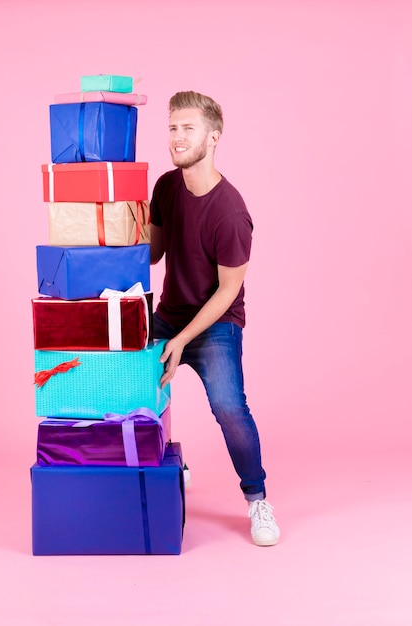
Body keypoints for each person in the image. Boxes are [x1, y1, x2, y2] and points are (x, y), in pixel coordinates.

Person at [150, 91, 280, 546]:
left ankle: (257, 498)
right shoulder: (165, 187)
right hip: (168, 314)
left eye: (188, 128)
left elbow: (228, 291)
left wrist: (182, 339)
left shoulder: (231, 213)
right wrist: (116, 224)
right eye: (172, 128)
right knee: (126, 382)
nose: (178, 137)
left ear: (214, 137)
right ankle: (162, 473)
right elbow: (153, 254)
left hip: (216, 323)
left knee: (228, 406)